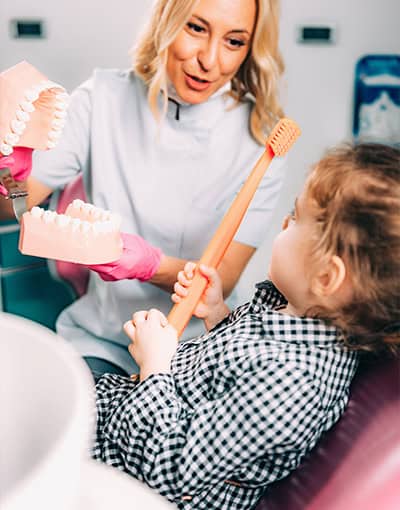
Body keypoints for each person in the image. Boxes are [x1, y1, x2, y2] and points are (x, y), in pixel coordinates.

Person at [91, 142, 400, 509]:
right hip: (117, 421)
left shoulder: (294, 384)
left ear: (327, 277)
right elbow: (231, 371)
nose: (285, 223)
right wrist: (217, 312)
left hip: (123, 477)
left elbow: (168, 470)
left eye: (297, 217)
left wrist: (155, 366)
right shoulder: (288, 315)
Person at [0, 0, 287, 378]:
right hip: (103, 340)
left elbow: (223, 279)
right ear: (167, 20)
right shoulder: (101, 99)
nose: (210, 60)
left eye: (234, 41)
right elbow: (13, 208)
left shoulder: (261, 140)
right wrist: (9, 166)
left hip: (197, 351)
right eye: (196, 29)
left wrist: (145, 264)